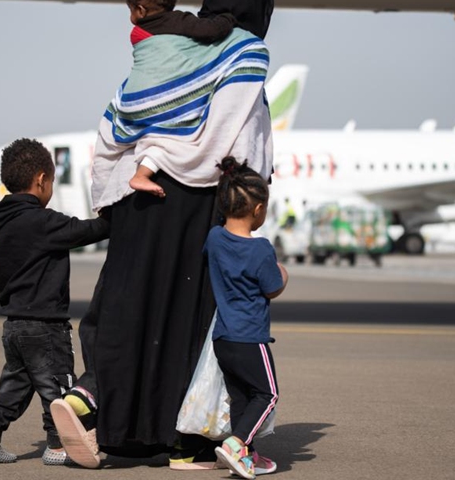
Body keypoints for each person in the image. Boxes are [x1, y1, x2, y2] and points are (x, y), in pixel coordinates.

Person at [50, 0, 275, 471]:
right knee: (184, 323)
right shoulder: (244, 57)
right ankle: (182, 442)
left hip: (138, 194)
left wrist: (115, 186)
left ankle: (90, 399)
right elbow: (243, 146)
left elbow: (117, 120)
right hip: (197, 205)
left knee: (126, 306)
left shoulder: (168, 48)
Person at [0, 138, 110, 466]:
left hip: (14, 325)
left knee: (15, 384)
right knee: (58, 385)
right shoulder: (43, 221)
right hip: (46, 324)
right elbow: (88, 231)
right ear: (41, 180)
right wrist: (118, 215)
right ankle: (58, 446)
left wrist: (12, 300)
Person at [205, 157, 287, 479]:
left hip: (223, 338)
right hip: (250, 338)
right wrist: (284, 274)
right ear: (258, 210)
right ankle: (236, 444)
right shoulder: (261, 249)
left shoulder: (214, 238)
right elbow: (272, 287)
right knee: (267, 394)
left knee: (240, 397)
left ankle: (247, 456)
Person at [125, 0, 237, 197]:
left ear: (141, 11)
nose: (130, 18)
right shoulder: (180, 21)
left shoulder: (142, 28)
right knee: (171, 141)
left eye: (131, 11)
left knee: (155, 140)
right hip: (164, 99)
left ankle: (141, 175)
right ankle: (143, 174)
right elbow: (211, 31)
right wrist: (228, 18)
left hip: (137, 99)